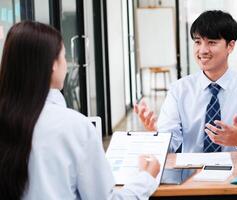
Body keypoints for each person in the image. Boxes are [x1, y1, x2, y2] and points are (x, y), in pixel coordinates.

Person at [0, 21, 160, 200]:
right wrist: (146, 179)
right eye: (64, 56)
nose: (66, 65)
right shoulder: (74, 127)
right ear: (52, 64)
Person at [135, 10, 237, 153]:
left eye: (211, 42)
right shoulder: (178, 90)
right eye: (198, 42)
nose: (202, 50)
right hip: (192, 173)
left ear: (230, 46)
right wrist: (157, 135)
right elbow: (170, 142)